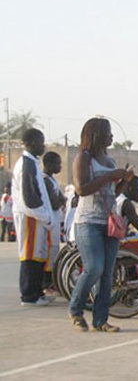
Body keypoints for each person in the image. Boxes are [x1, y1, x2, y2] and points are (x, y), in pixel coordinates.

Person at [69, 117, 130, 332]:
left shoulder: (110, 161)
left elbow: (113, 193)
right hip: (88, 221)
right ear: (97, 135)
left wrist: (122, 182)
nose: (112, 136)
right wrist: (110, 176)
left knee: (107, 274)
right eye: (108, 132)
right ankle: (75, 309)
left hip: (108, 221)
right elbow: (81, 189)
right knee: (94, 267)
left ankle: (100, 319)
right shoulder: (83, 158)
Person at [12, 128, 58, 306]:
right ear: (30, 143)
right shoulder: (26, 164)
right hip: (31, 216)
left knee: (39, 254)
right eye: (40, 141)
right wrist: (45, 216)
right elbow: (30, 198)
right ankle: (29, 295)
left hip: (37, 217)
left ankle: (37, 292)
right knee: (30, 255)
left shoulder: (33, 162)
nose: (43, 145)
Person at [42, 151, 66, 293]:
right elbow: (56, 203)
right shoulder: (45, 180)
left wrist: (61, 200)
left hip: (56, 221)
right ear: (49, 164)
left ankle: (49, 281)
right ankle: (46, 283)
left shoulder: (52, 180)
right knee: (49, 251)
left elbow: (61, 198)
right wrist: (60, 200)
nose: (60, 166)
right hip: (50, 221)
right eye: (58, 163)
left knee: (54, 250)